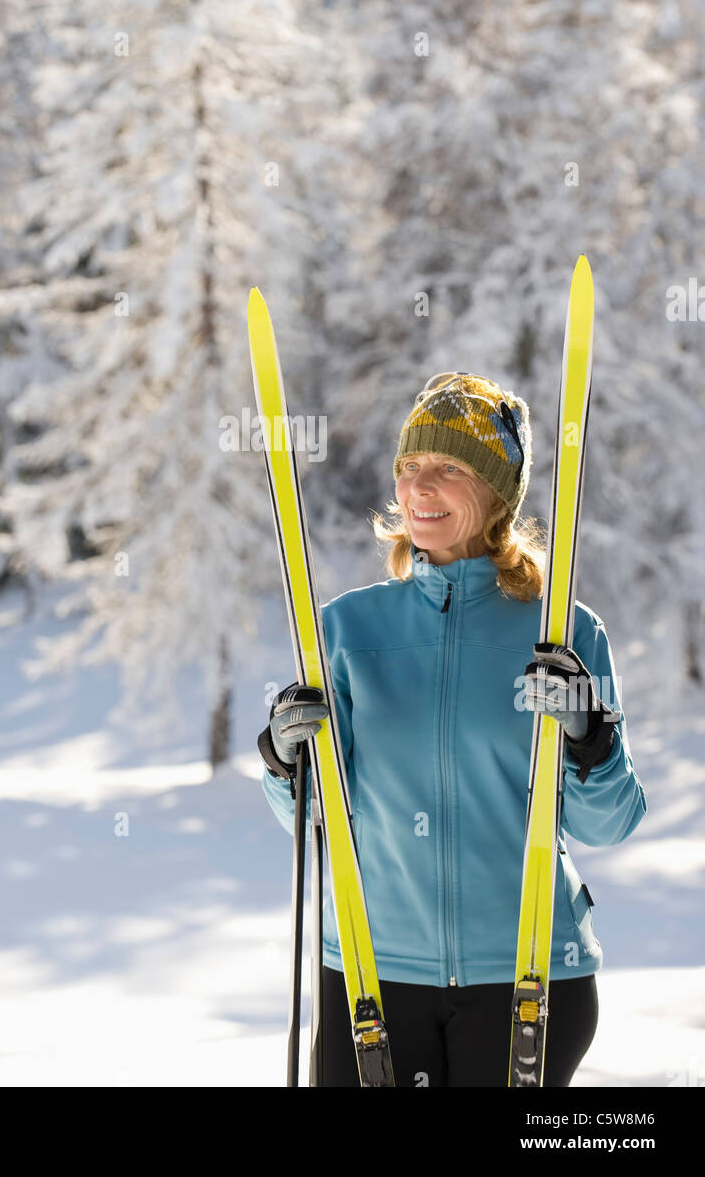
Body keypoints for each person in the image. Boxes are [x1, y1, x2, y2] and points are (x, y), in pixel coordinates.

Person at [258, 371, 647, 1087]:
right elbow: (315, 822)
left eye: (447, 469)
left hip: (527, 977)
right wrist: (287, 764)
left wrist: (590, 736)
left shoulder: (560, 628)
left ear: (497, 491)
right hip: (374, 976)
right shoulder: (345, 630)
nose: (418, 489)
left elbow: (609, 821)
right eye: (408, 468)